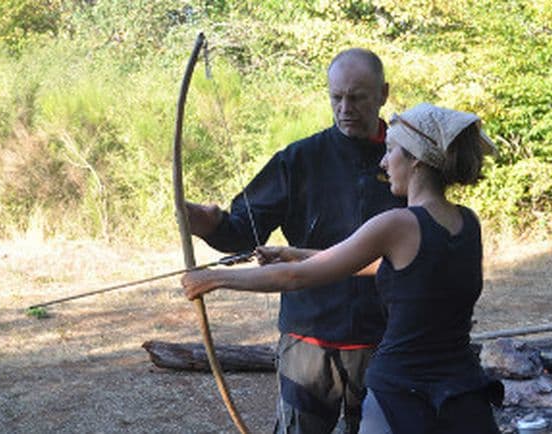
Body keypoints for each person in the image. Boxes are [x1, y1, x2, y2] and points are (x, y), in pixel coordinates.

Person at [183, 103, 502, 433]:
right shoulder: (467, 222)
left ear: (417, 159)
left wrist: (213, 278)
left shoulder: (396, 225)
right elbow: (392, 268)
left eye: (391, 150)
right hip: (461, 393)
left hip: (401, 394)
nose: (383, 161)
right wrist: (296, 253)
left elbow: (296, 279)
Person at [185, 48, 404, 433]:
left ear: (383, 93)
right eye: (336, 97)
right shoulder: (300, 159)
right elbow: (242, 232)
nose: (345, 108)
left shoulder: (405, 159)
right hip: (309, 339)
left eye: (358, 97)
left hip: (386, 338)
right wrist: (205, 223)